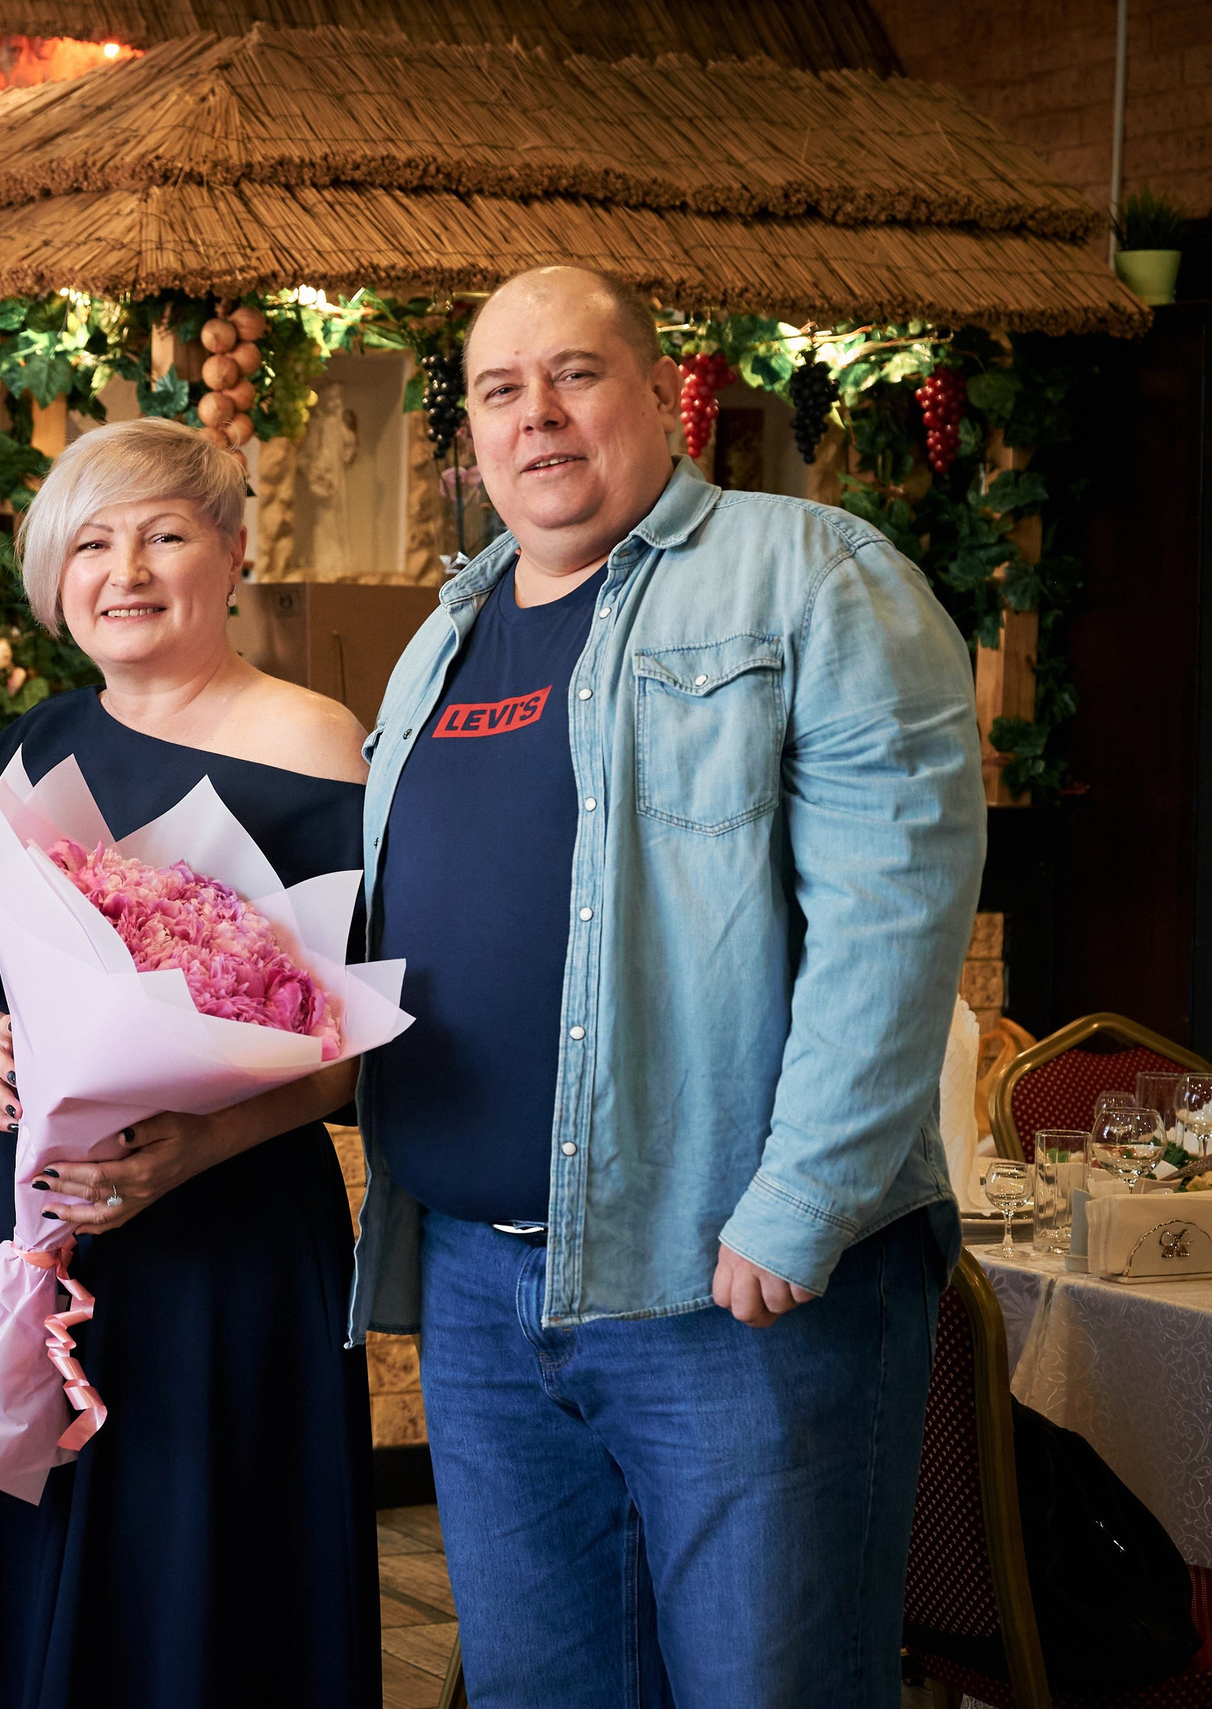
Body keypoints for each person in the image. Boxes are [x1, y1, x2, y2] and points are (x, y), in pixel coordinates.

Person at [359, 265, 984, 1707]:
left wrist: (803, 1205)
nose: (539, 417)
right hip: (479, 1279)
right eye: (502, 390)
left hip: (733, 1282)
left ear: (661, 390)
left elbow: (896, 911)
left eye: (575, 374)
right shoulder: (441, 636)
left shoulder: (811, 572)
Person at [0, 415, 381, 1709]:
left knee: (205, 1574)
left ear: (232, 553)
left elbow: (343, 1044)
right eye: (94, 542)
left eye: (166, 534)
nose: (129, 569)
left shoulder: (319, 743)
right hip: (42, 1235)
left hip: (229, 1239)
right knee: (32, 1547)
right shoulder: (14, 752)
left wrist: (197, 1143)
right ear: (58, 574)